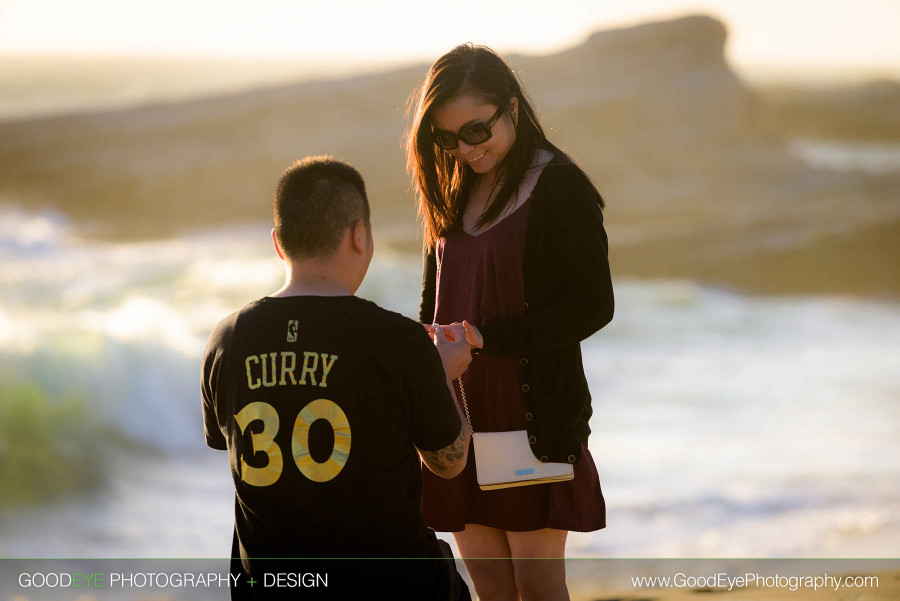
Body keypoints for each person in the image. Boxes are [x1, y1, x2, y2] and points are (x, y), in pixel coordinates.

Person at [201, 156, 473, 600]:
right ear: (359, 234)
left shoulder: (226, 340)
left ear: (278, 243)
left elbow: (226, 443)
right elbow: (449, 461)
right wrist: (441, 374)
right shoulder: (399, 340)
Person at [405, 44, 614, 601]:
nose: (465, 149)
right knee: (492, 587)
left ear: (513, 110)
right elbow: (433, 305)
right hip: (457, 421)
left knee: (538, 586)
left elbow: (594, 304)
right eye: (447, 138)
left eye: (476, 131)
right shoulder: (449, 186)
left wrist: (489, 338)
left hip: (531, 417)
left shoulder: (560, 186)